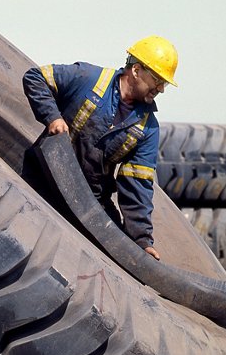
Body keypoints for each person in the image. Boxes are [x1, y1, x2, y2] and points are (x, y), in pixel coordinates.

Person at [22, 36, 178, 261]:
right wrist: (53, 117)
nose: (161, 89)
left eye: (165, 83)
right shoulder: (89, 78)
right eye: (157, 80)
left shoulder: (148, 128)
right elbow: (35, 77)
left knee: (119, 257)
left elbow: (137, 186)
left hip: (88, 202)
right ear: (136, 70)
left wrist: (141, 241)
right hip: (40, 179)